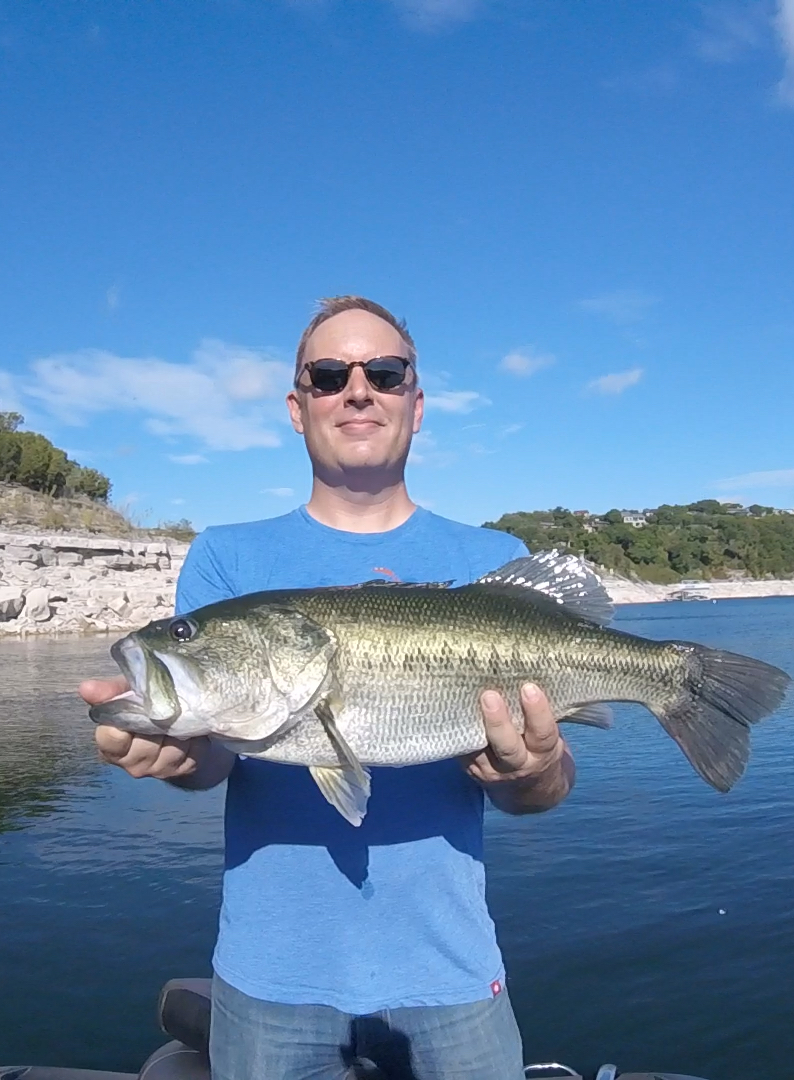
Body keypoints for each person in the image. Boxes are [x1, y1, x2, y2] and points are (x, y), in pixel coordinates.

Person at [80, 296, 576, 1080]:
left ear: (416, 403)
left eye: (384, 372)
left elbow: (542, 788)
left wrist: (533, 771)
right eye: (328, 373)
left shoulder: (494, 560)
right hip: (268, 984)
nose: (357, 390)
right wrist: (174, 756)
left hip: (454, 979)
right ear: (296, 404)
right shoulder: (225, 560)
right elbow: (216, 760)